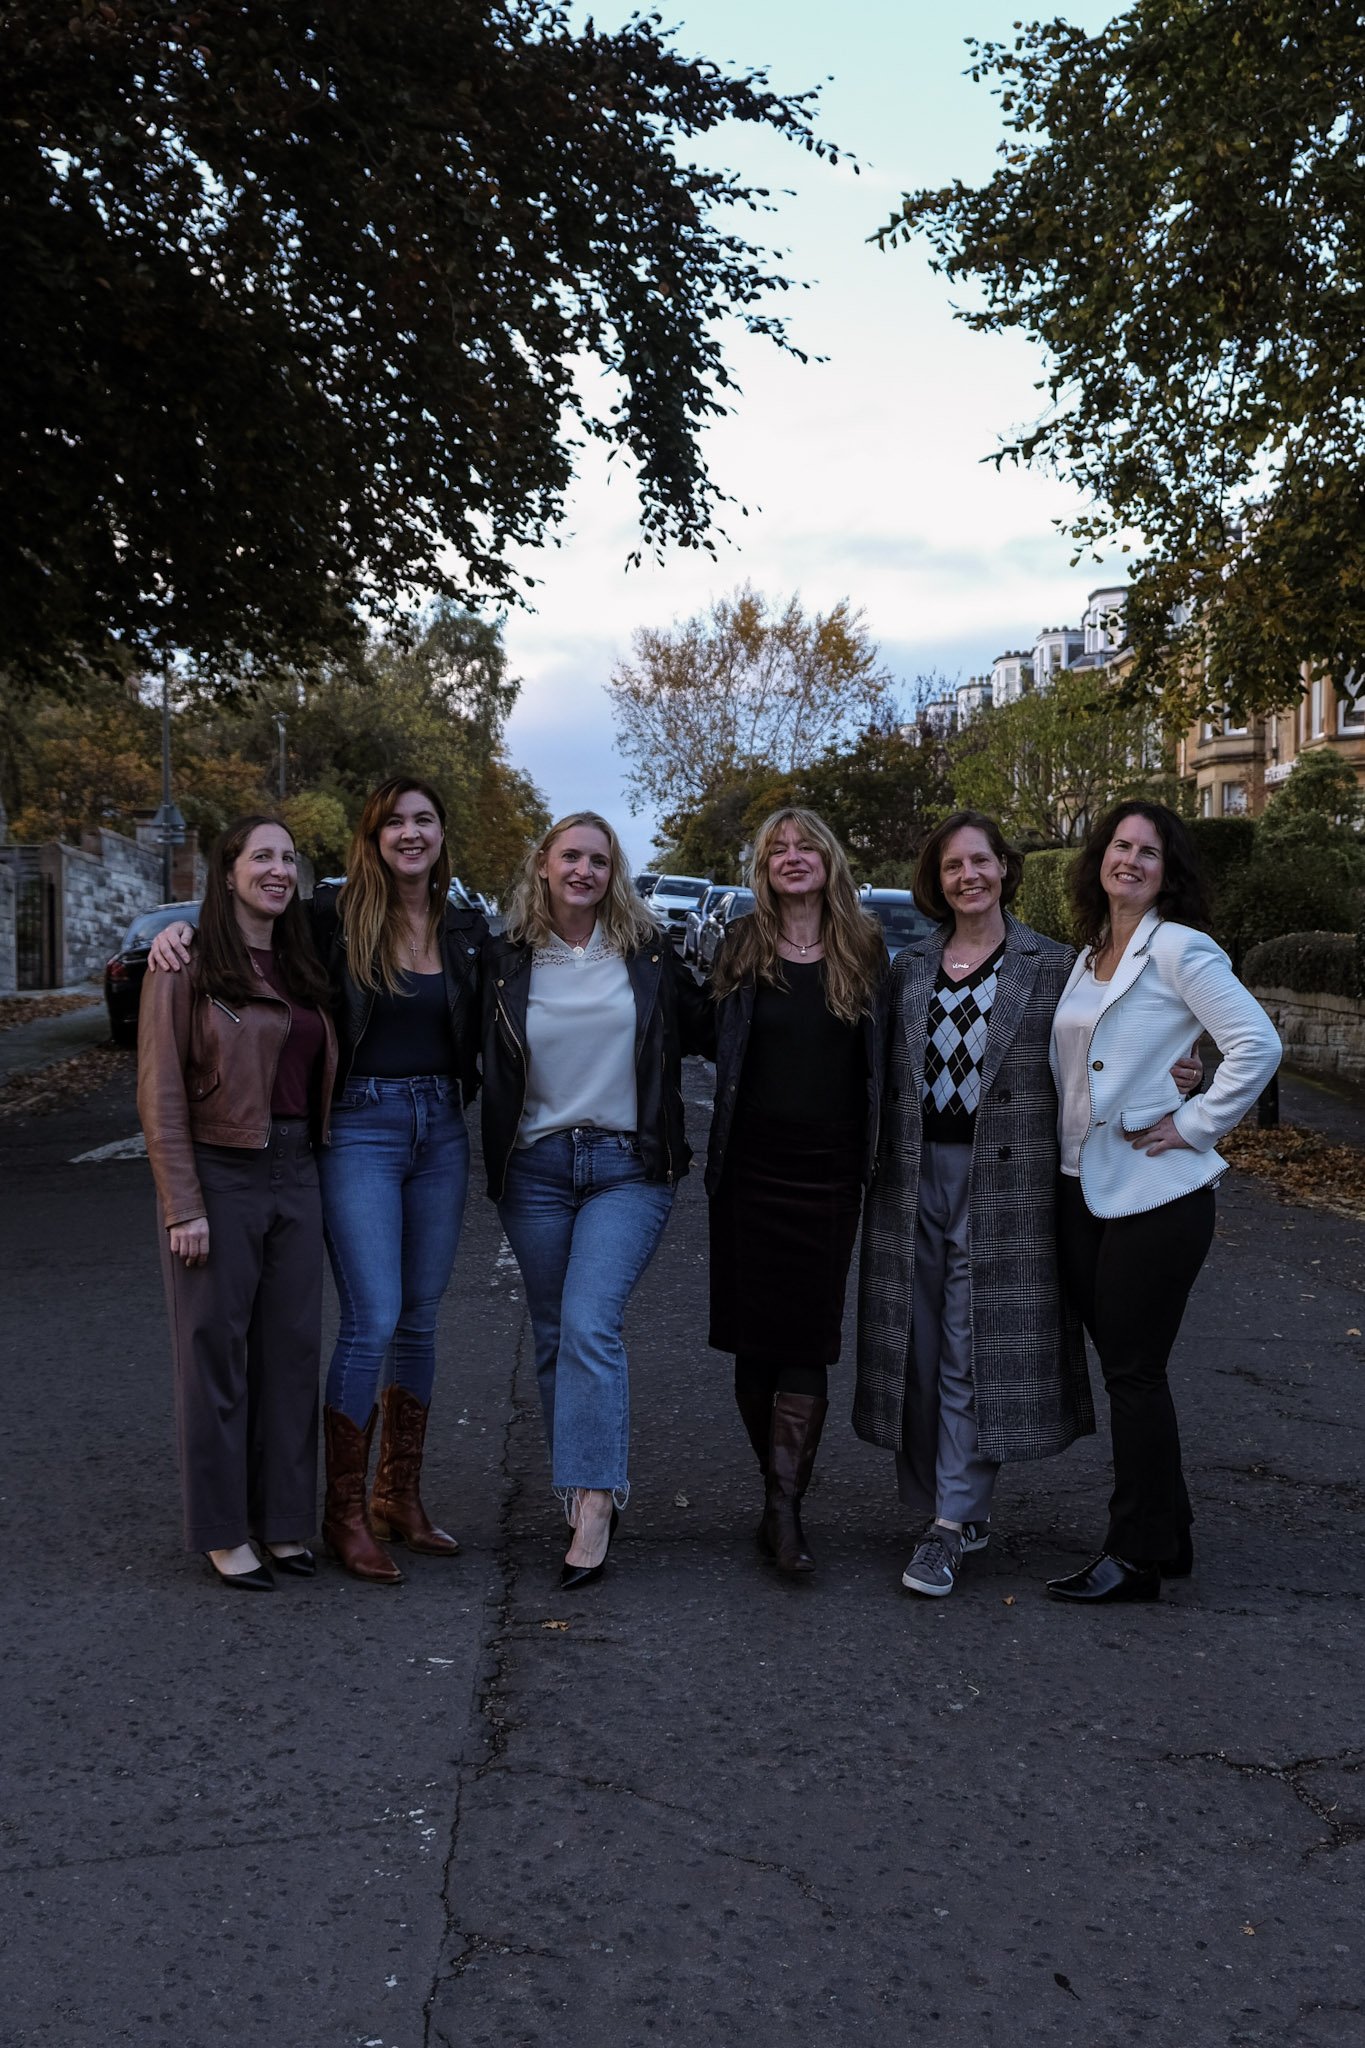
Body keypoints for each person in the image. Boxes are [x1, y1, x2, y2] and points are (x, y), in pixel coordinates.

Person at [854, 811, 1203, 1600]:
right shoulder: (906, 969)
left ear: (1006, 869)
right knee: (919, 1344)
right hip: (909, 1183)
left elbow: (1123, 1037)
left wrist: (1184, 1076)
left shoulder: (1053, 966)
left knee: (970, 1349)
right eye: (952, 867)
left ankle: (949, 1522)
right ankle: (951, 1505)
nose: (968, 876)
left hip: (1008, 1185)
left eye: (981, 861)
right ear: (935, 882)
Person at [146, 777, 487, 1585]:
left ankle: (392, 1497)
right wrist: (172, 930)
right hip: (357, 1127)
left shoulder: (467, 928)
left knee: (406, 1322)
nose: (411, 833)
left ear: (442, 835)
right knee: (368, 1316)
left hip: (431, 1130)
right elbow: (236, 935)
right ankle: (334, 1513)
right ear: (371, 837)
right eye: (395, 822)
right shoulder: (331, 916)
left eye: (425, 820)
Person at [1045, 802, 1281, 1604]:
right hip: (1081, 1184)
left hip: (1158, 1194)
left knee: (1134, 1374)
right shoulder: (1091, 956)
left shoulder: (1178, 948)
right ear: (1099, 859)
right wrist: (1170, 1074)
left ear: (1166, 871)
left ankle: (1136, 1557)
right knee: (1125, 1368)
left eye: (1149, 852)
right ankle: (1168, 1534)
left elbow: (1256, 1043)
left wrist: (1193, 1120)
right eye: (1120, 846)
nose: (1131, 860)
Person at [481, 812, 712, 1588]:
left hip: (628, 1165)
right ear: (542, 865)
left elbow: (716, 1023)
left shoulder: (644, 954)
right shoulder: (502, 959)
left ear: (613, 874)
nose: (583, 871)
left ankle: (591, 1503)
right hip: (537, 1167)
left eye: (599, 861)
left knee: (588, 1322)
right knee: (552, 1335)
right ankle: (577, 1480)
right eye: (570, 856)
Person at [138, 816, 337, 1589]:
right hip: (221, 1172)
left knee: (289, 1357)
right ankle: (223, 1531)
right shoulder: (183, 963)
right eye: (261, 856)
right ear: (227, 872)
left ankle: (286, 1522)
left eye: (288, 859)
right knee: (213, 1358)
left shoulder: (303, 960)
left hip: (298, 1170)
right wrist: (182, 1204)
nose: (278, 870)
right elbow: (158, 1091)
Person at [706, 807, 888, 1577]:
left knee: (807, 1335)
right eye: (776, 848)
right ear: (762, 868)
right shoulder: (740, 945)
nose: (791, 857)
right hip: (748, 1167)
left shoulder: (867, 948)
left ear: (829, 860)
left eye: (804, 845)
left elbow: (906, 1049)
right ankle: (776, 1498)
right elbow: (688, 1029)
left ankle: (784, 1510)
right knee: (754, 1336)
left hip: (828, 1169)